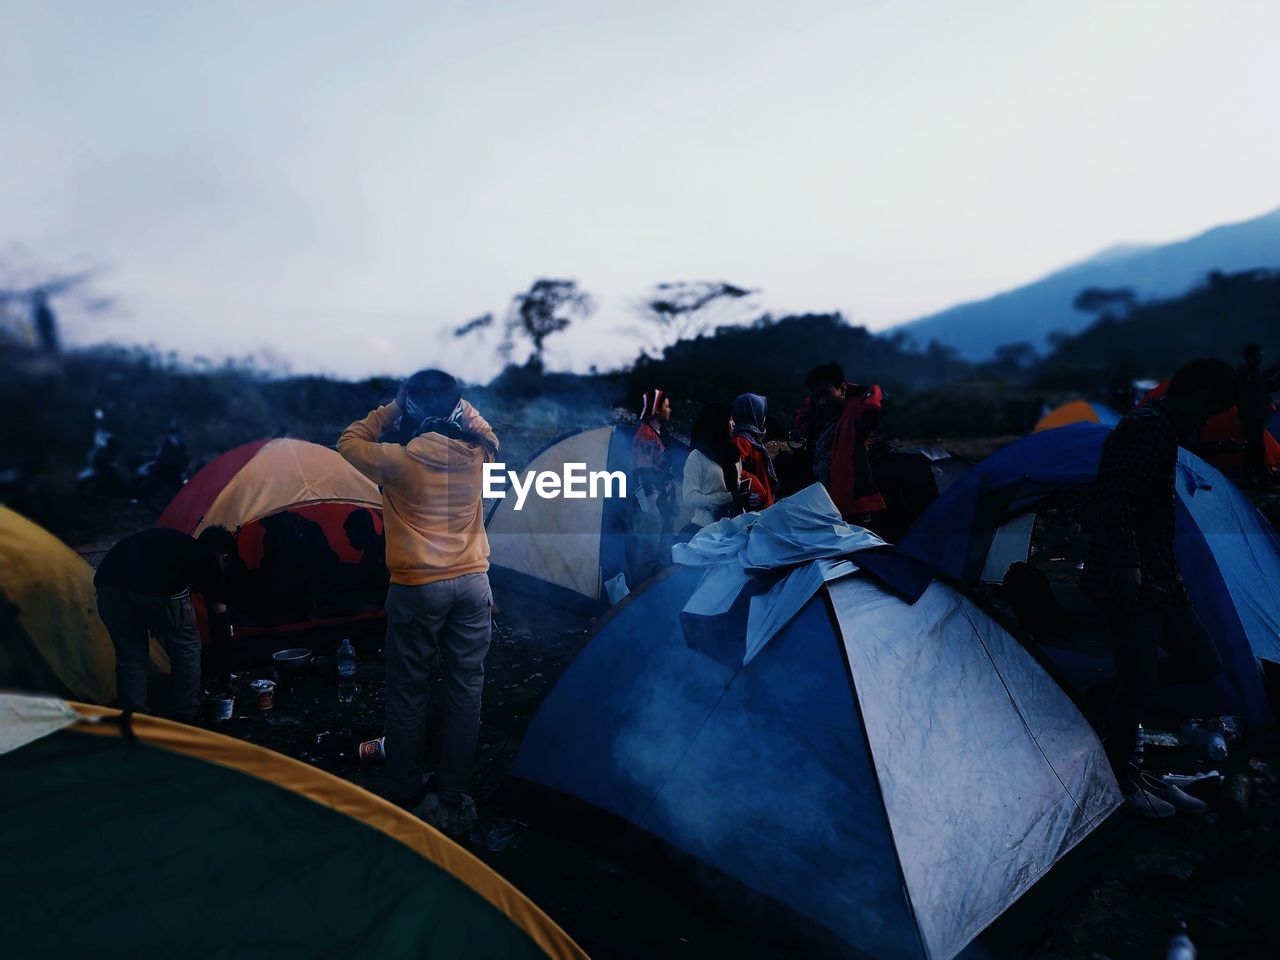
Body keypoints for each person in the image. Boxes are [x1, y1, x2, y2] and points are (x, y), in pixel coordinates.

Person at [338, 369, 498, 836]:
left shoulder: (397, 460)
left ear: (410, 410)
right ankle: (452, 793)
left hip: (417, 587)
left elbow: (348, 440)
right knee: (467, 689)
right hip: (473, 583)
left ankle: (407, 791)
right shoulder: (480, 454)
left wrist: (392, 406)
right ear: (456, 409)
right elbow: (487, 430)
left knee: (409, 691)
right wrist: (461, 405)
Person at [1082, 358, 1237, 818]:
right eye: (1211, 411)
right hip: (1130, 577)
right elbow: (1114, 497)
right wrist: (1128, 565)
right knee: (1142, 681)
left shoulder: (1162, 429)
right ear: (1202, 397)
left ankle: (1109, 698)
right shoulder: (1146, 426)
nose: (1208, 422)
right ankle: (1120, 783)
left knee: (1201, 659)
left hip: (1158, 576)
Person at [94, 526, 239, 720]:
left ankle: (134, 715)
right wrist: (224, 677)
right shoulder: (209, 560)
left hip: (108, 586)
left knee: (130, 654)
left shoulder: (177, 542)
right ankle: (184, 712)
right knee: (186, 648)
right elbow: (218, 622)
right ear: (223, 556)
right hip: (157, 588)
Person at [792, 363, 885, 523]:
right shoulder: (818, 420)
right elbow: (800, 421)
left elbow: (872, 408)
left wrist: (858, 391)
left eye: (826, 393)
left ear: (842, 389)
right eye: (816, 397)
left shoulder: (855, 416)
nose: (821, 401)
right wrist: (812, 400)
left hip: (852, 508)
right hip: (822, 505)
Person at [680, 403, 758, 537]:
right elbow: (689, 498)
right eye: (730, 419)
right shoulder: (697, 456)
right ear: (718, 423)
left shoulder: (733, 453)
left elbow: (735, 486)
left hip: (736, 525)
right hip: (708, 529)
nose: (734, 424)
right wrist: (728, 497)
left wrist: (746, 497)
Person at [631, 388, 674, 583]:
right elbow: (643, 471)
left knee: (660, 550)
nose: (670, 410)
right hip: (650, 499)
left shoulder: (658, 433)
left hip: (660, 498)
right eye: (666, 406)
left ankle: (652, 595)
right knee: (648, 551)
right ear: (657, 409)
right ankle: (634, 600)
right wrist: (651, 507)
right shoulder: (646, 435)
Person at [1236, 343, 1280, 489]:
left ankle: (1252, 478)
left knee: (1255, 447)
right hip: (1249, 416)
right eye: (1257, 355)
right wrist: (1275, 368)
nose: (1260, 358)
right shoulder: (1244, 373)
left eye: (1260, 355)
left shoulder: (1255, 373)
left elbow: (1268, 387)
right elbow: (1257, 385)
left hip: (1256, 416)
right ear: (1249, 357)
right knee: (1256, 447)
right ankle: (1259, 480)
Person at [731, 393, 779, 509]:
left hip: (761, 501)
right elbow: (733, 469)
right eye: (762, 413)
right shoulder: (741, 439)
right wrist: (759, 489)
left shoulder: (753, 438)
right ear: (753, 413)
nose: (764, 418)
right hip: (754, 504)